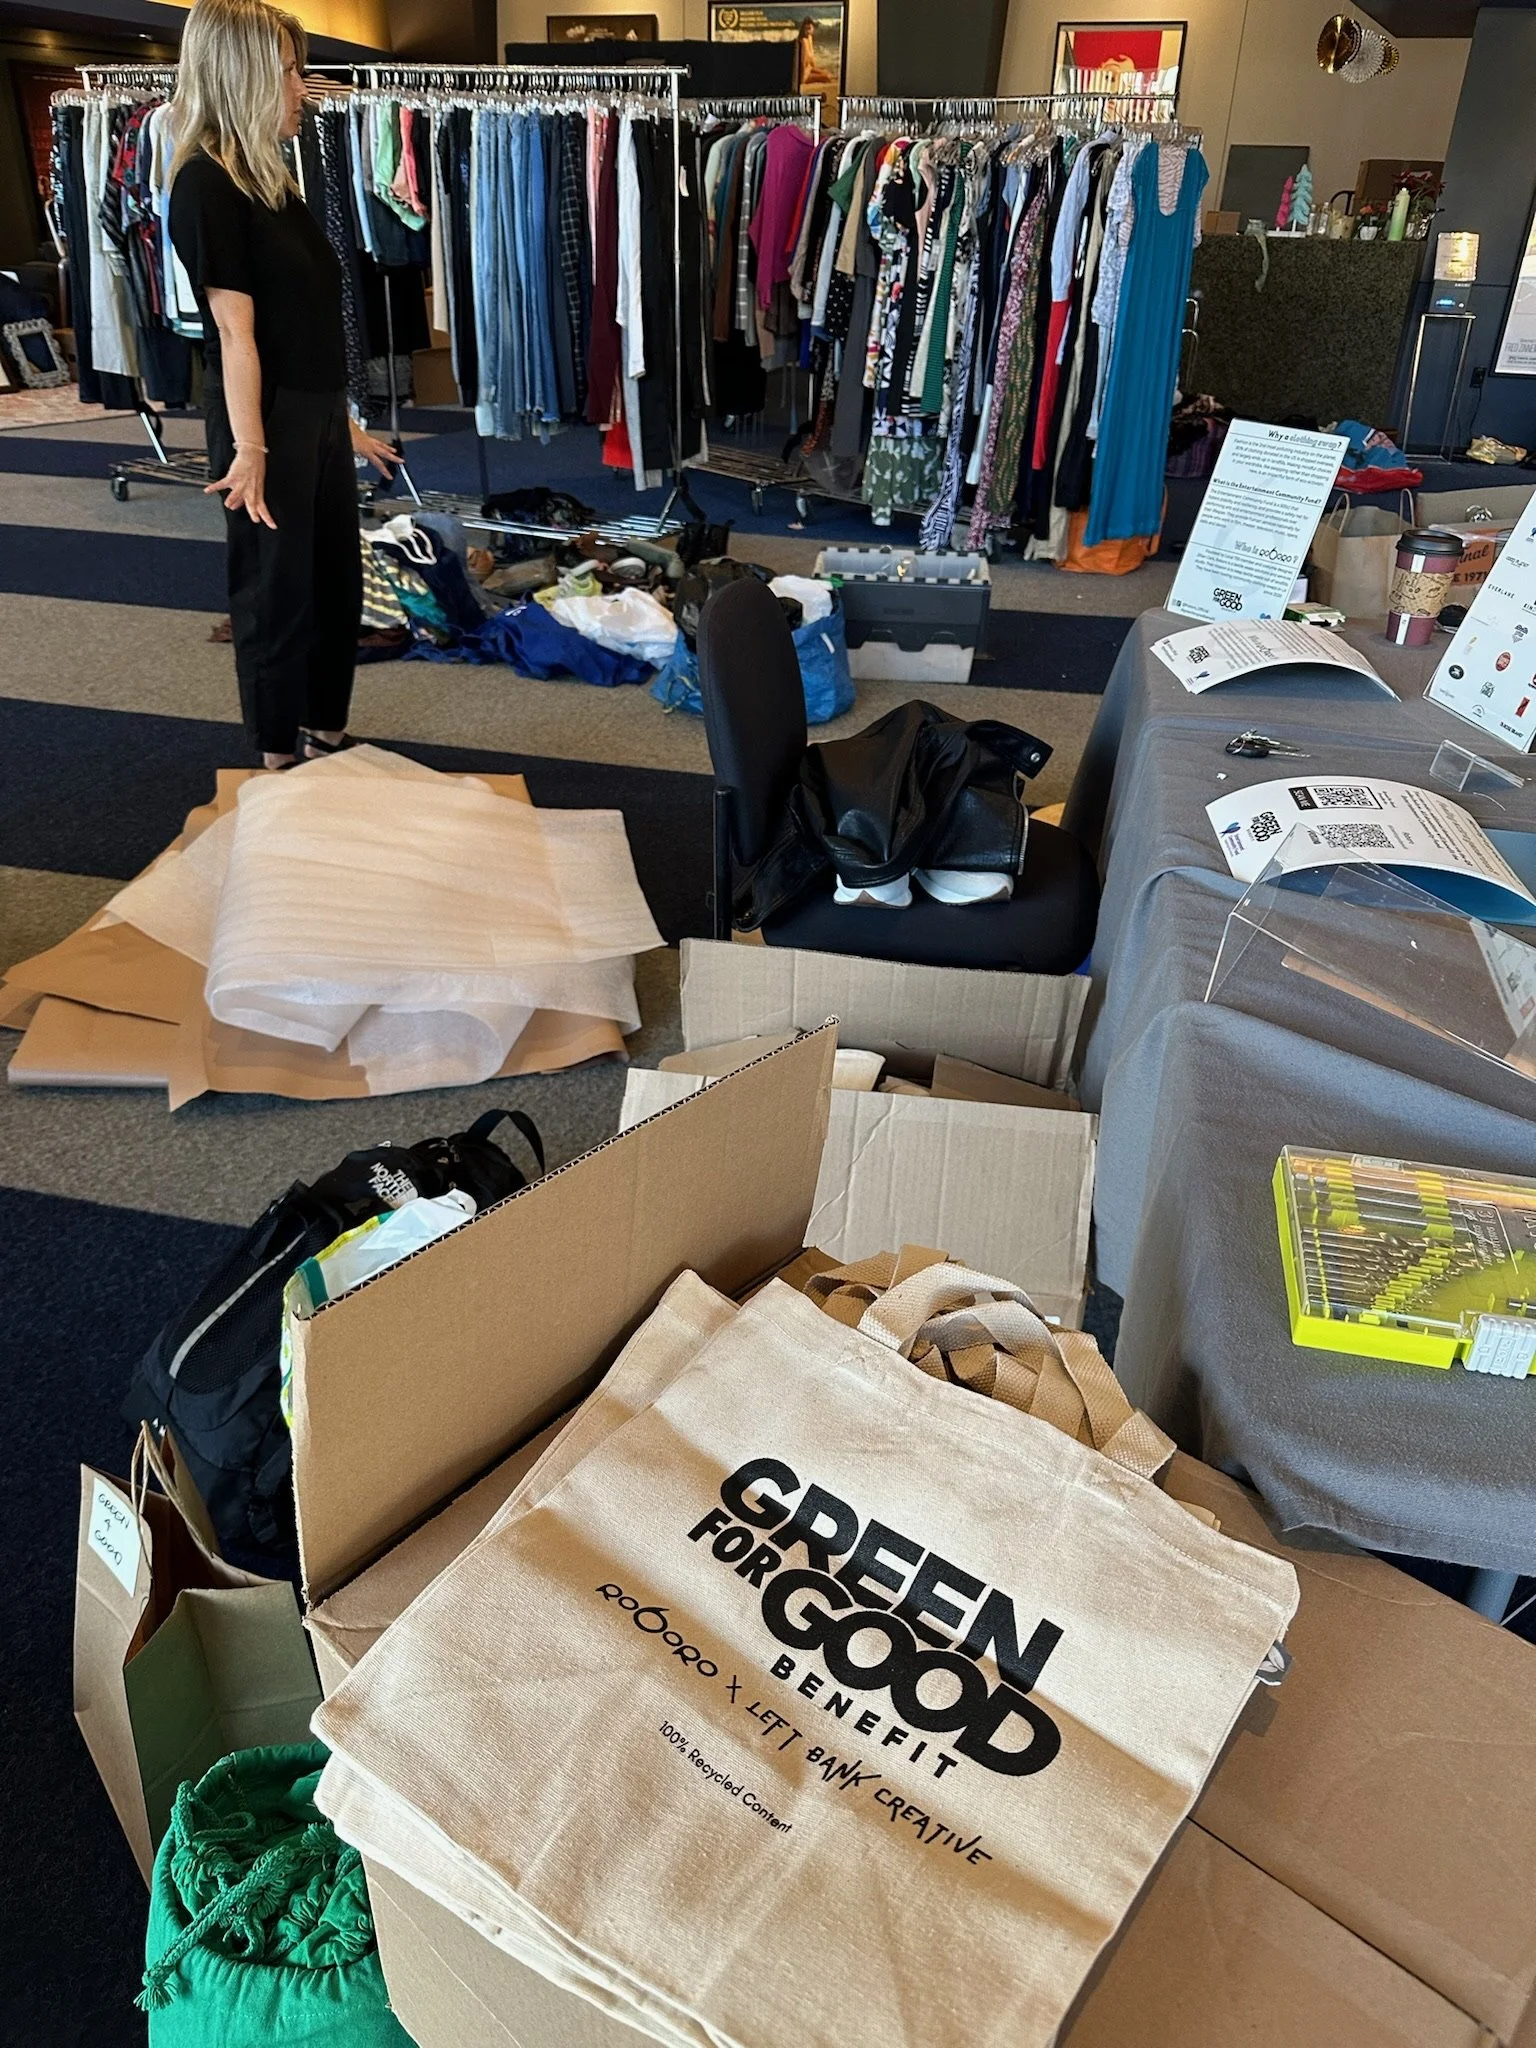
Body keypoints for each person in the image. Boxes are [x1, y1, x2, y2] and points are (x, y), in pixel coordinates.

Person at [170, 0, 398, 769]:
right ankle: (276, 756)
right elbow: (236, 334)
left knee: (334, 582)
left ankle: (325, 733)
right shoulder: (205, 185)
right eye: (291, 72)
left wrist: (343, 422)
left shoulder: (272, 179)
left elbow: (306, 318)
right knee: (277, 591)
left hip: (316, 411)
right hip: (263, 416)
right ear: (241, 76)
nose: (304, 88)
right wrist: (253, 447)